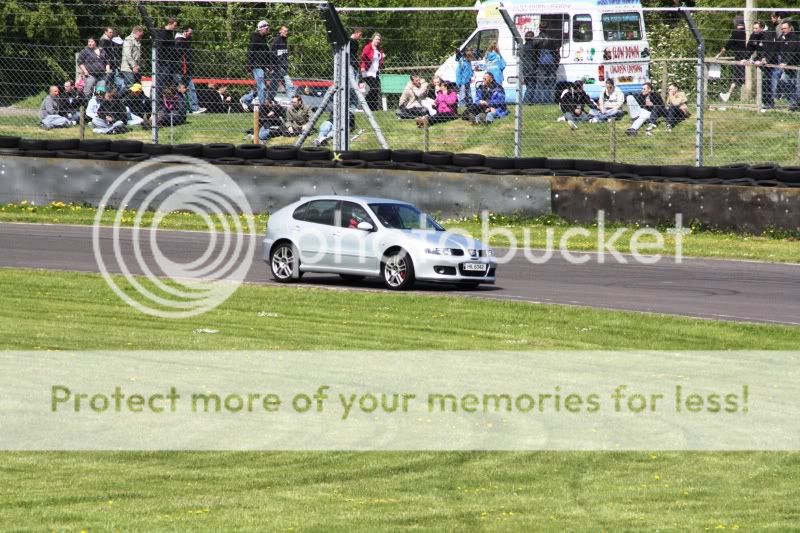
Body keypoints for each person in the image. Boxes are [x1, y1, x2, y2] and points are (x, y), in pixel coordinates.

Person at [716, 16, 748, 102]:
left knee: (737, 78)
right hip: (748, 57)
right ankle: (729, 94)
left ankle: (728, 94)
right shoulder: (747, 32)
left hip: (739, 59)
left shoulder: (735, 33)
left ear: (736, 23)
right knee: (741, 78)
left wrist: (719, 55)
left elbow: (727, 45)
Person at [174, 27, 205, 114]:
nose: (191, 35)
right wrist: (184, 70)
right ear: (184, 32)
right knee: (181, 89)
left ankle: (193, 107)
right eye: (190, 33)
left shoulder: (184, 41)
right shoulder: (180, 42)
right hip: (181, 70)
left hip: (185, 70)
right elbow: (181, 58)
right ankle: (190, 107)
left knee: (190, 88)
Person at [748, 21, 777, 111]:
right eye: (754, 28)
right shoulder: (754, 35)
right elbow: (750, 47)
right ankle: (764, 102)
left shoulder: (768, 35)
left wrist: (765, 59)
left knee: (768, 83)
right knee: (763, 83)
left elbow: (771, 49)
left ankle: (769, 103)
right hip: (760, 61)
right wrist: (747, 58)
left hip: (770, 63)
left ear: (761, 28)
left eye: (756, 28)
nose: (754, 30)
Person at [243, 20, 271, 111]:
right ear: (261, 28)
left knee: (262, 87)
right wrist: (249, 67)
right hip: (256, 66)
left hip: (263, 66)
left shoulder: (264, 39)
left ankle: (246, 99)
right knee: (262, 87)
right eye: (266, 28)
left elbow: (266, 54)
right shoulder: (255, 38)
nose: (268, 30)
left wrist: (269, 66)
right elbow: (250, 52)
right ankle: (263, 107)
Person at [776, 21, 800, 111]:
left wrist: (786, 63)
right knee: (784, 83)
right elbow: (776, 48)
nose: (783, 30)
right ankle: (793, 103)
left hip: (796, 66)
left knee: (798, 86)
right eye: (782, 29)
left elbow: (794, 53)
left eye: (785, 28)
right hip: (786, 67)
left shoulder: (795, 38)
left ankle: (794, 104)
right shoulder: (781, 38)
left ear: (790, 28)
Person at [534, 21, 561, 103]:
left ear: (539, 28)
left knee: (539, 83)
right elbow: (556, 51)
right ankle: (548, 100)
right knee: (549, 83)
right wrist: (556, 62)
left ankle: (538, 100)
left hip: (540, 63)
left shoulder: (536, 39)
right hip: (550, 62)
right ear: (547, 28)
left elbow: (534, 52)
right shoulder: (551, 39)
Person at [267, 25, 294, 102]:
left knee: (274, 85)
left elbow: (284, 55)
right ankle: (292, 102)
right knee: (289, 84)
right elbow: (271, 55)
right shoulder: (276, 41)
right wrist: (271, 67)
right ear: (280, 31)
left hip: (283, 67)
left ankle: (269, 100)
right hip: (278, 67)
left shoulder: (285, 40)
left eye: (287, 31)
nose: (286, 32)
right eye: (285, 31)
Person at [360, 33, 385, 111]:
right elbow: (363, 57)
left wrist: (383, 57)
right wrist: (363, 67)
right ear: (372, 39)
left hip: (376, 72)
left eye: (379, 39)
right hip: (367, 72)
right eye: (376, 39)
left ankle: (373, 108)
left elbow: (380, 61)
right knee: (368, 90)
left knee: (375, 89)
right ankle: (365, 107)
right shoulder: (368, 47)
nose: (378, 41)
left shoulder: (379, 49)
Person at [120, 26, 144, 90]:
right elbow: (128, 54)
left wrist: (138, 66)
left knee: (138, 87)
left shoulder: (137, 40)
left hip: (135, 68)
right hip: (128, 68)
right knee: (129, 86)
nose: (142, 36)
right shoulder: (128, 40)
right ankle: (120, 99)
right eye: (141, 34)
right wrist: (134, 66)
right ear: (137, 32)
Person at [520, 32, 538, 104]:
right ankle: (527, 101)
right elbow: (535, 57)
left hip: (525, 68)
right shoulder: (533, 47)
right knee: (531, 86)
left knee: (528, 85)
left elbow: (521, 56)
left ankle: (527, 100)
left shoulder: (523, 47)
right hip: (532, 68)